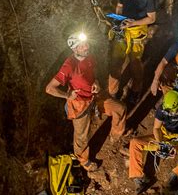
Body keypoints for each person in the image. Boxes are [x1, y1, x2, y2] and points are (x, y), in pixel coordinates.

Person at [46, 32, 127, 172]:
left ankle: (115, 136)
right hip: (79, 104)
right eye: (82, 45)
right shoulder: (69, 66)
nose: (86, 46)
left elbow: (92, 71)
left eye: (86, 43)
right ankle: (83, 160)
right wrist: (67, 95)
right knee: (82, 136)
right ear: (74, 49)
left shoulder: (89, 56)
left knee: (119, 108)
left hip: (94, 96)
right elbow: (49, 88)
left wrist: (95, 82)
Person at [128, 90, 178, 194]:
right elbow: (156, 128)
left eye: (171, 111)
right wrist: (161, 144)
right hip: (164, 136)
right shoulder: (162, 109)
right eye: (166, 110)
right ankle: (139, 178)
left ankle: (177, 176)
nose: (168, 113)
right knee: (135, 143)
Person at [108, 0, 156, 103]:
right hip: (123, 28)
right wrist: (117, 20)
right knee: (116, 61)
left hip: (137, 30)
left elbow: (152, 18)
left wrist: (133, 23)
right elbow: (120, 6)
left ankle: (136, 90)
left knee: (135, 62)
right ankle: (112, 93)